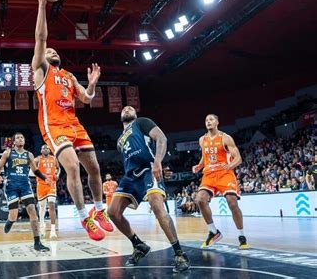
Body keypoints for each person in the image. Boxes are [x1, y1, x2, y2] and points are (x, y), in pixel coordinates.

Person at [32, 0, 113, 241]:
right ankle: (83, 217)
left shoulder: (68, 76)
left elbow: (87, 99)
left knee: (95, 169)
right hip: (53, 126)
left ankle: (99, 211)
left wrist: (91, 85)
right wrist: (42, 5)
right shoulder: (41, 71)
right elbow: (41, 38)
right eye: (48, 51)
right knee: (73, 169)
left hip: (74, 125)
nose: (51, 51)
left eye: (54, 51)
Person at [107, 106, 190, 272]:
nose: (127, 108)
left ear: (135, 114)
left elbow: (162, 138)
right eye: (124, 108)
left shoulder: (141, 122)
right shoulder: (119, 141)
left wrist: (158, 162)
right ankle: (139, 245)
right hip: (130, 176)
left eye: (130, 108)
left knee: (156, 205)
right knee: (113, 212)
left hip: (148, 168)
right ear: (120, 116)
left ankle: (179, 253)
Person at [192, 114, 249, 249]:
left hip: (225, 173)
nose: (208, 122)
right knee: (200, 200)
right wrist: (199, 166)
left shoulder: (225, 138)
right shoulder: (202, 139)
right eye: (206, 120)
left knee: (232, 203)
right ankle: (213, 232)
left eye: (211, 119)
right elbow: (205, 157)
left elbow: (238, 158)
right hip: (209, 175)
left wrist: (230, 165)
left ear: (217, 122)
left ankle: (241, 235)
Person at [0, 132, 52, 251]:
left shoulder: (29, 155)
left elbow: (35, 171)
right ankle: (10, 221)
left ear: (24, 141)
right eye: (18, 138)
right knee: (14, 215)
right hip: (11, 186)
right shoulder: (8, 152)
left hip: (25, 185)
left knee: (32, 211)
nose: (20, 139)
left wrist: (45, 178)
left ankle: (37, 242)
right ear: (14, 142)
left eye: (22, 137)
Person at [34, 144, 60, 239]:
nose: (46, 149)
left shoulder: (54, 158)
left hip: (51, 184)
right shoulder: (38, 159)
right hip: (41, 185)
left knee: (52, 205)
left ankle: (53, 231)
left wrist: (57, 174)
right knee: (42, 208)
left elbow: (58, 168)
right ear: (41, 150)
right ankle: (42, 226)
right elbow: (31, 165)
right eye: (43, 148)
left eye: (47, 148)